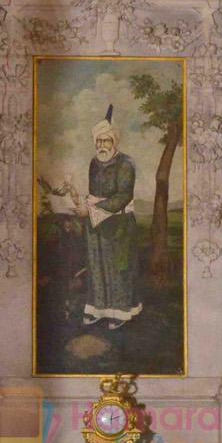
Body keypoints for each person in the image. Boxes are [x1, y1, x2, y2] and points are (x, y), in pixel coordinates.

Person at [66, 114, 142, 328]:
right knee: (96, 266)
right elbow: (94, 193)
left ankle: (120, 312)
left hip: (119, 224)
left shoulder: (126, 164)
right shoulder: (94, 162)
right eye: (98, 141)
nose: (101, 145)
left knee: (117, 268)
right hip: (96, 222)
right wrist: (81, 203)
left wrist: (91, 210)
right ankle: (98, 309)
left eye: (106, 140)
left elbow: (123, 197)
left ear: (114, 141)